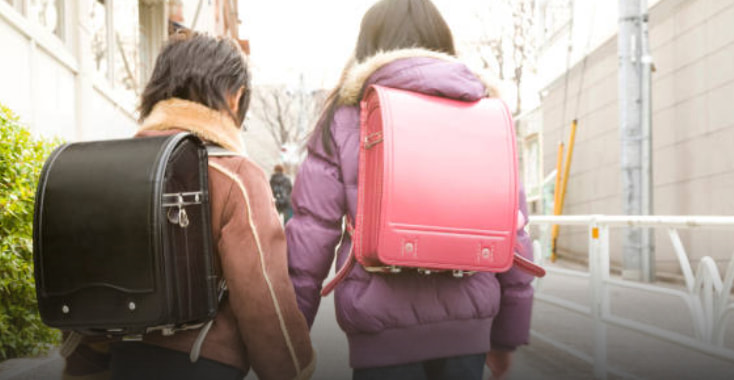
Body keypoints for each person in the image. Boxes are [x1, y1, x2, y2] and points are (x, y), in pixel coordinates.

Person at [285, 0, 535, 379]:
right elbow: (512, 230)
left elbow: (311, 234)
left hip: (378, 329)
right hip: (468, 328)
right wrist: (506, 337)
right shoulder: (485, 113)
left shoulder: (346, 116)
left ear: (368, 45)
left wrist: (290, 335)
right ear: (442, 43)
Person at [92, 32, 313, 380]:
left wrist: (83, 365)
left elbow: (92, 279)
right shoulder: (237, 175)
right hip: (205, 364)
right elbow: (263, 298)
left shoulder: (112, 169)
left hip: (124, 359)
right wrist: (293, 370)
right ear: (235, 98)